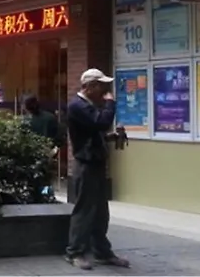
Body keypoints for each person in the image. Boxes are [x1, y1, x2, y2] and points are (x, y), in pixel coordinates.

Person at [65, 69, 129, 270]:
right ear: (90, 86)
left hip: (96, 163)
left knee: (100, 212)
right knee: (84, 210)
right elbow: (100, 123)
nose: (105, 90)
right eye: (101, 86)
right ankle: (75, 252)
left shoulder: (89, 105)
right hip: (86, 164)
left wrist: (111, 137)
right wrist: (110, 103)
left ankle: (102, 252)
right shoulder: (77, 106)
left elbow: (93, 133)